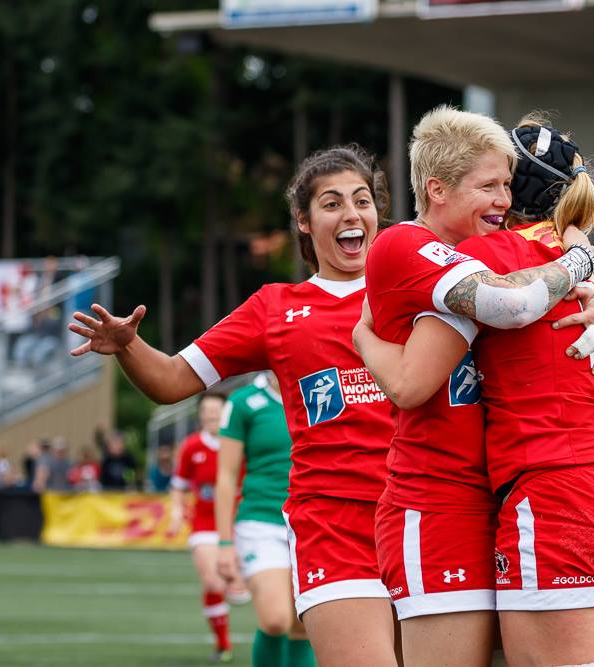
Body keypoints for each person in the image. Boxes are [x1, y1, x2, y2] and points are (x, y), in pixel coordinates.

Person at [357, 115, 594, 667]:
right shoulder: (564, 262)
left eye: (504, 183)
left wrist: (361, 336)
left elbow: (417, 376)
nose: (498, 198)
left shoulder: (492, 258)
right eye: (487, 184)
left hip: (546, 496)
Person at [69, 146, 399, 667]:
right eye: (332, 204)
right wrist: (128, 345)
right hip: (334, 528)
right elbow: (172, 380)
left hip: (428, 518)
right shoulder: (275, 307)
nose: (351, 214)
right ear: (305, 222)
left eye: (362, 200)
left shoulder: (419, 290)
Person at [215, 373, 315, 667]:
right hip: (260, 519)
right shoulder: (243, 402)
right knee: (275, 619)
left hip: (310, 521)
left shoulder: (319, 390)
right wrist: (224, 543)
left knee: (303, 625)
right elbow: (226, 476)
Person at [170, 391, 245, 662]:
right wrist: (176, 512)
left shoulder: (240, 444)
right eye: (206, 413)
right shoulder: (192, 447)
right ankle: (223, 645)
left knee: (256, 590)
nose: (211, 418)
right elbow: (178, 486)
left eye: (216, 413)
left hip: (241, 523)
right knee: (213, 581)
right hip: (204, 524)